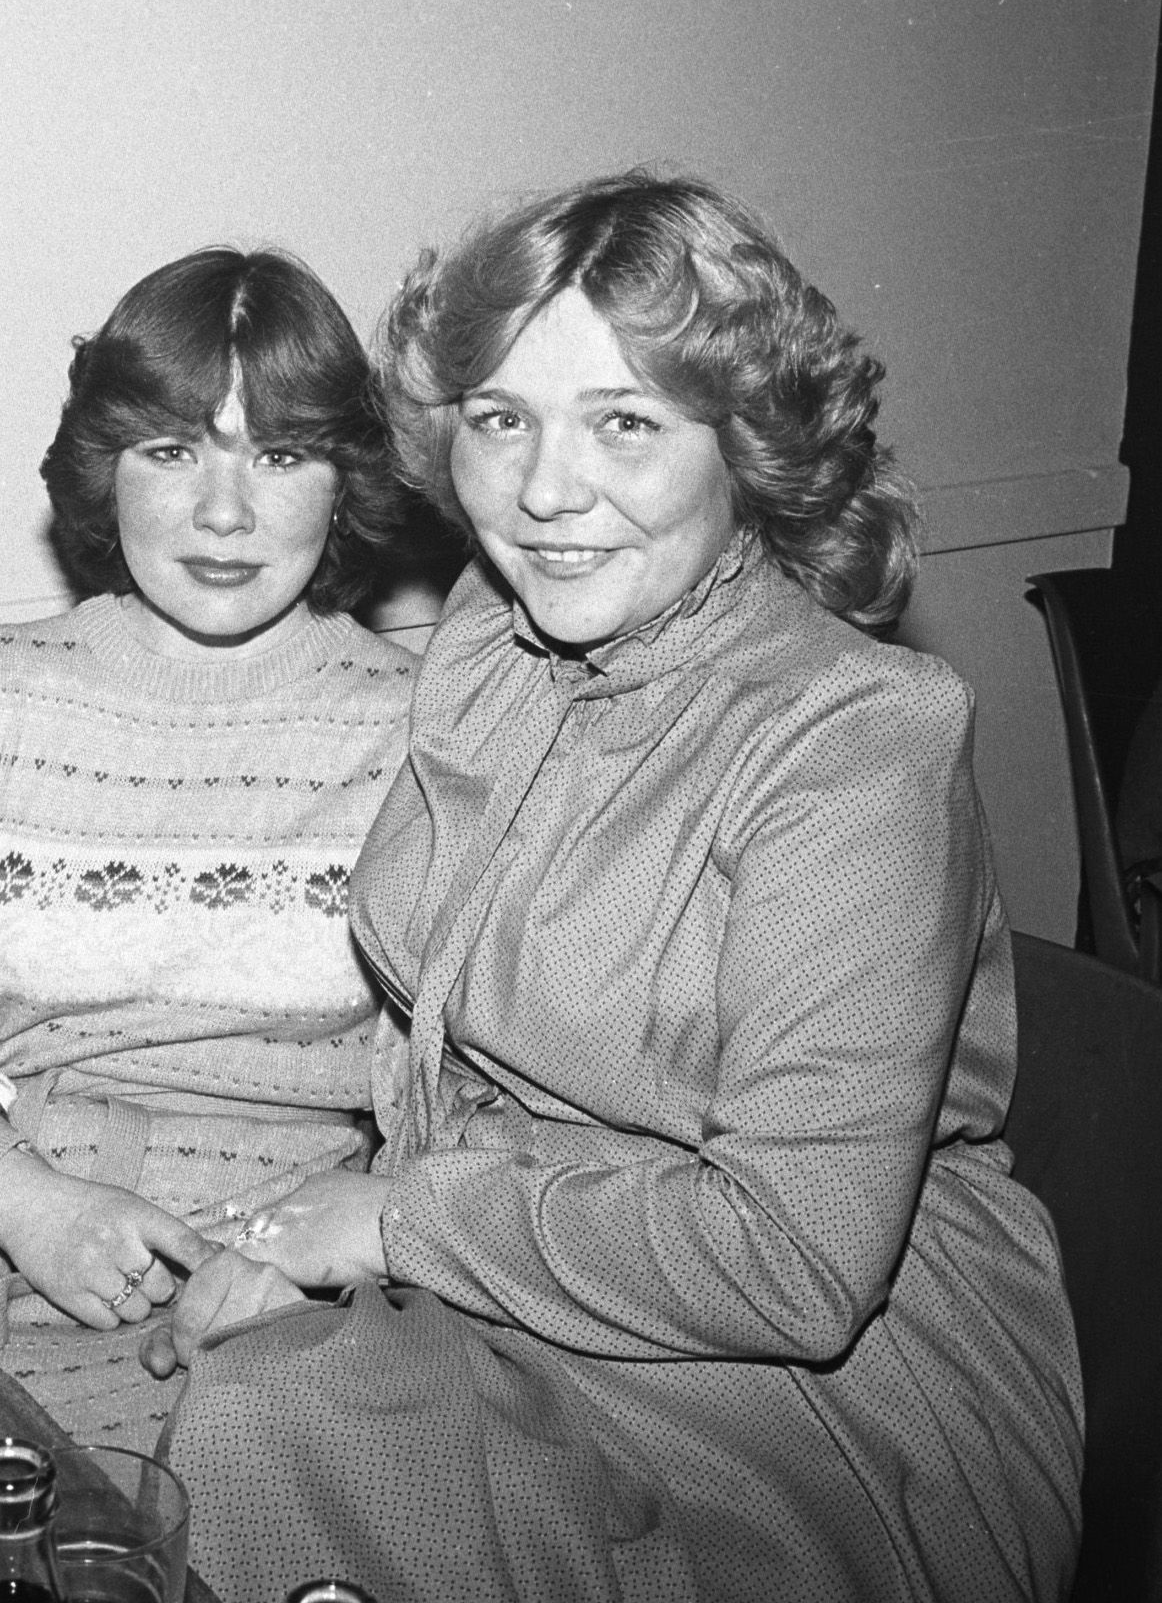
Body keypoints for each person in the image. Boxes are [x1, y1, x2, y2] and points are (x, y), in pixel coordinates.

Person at [148, 172, 1083, 1603]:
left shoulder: (856, 736)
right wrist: (355, 1207)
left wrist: (387, 1226)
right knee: (239, 1428)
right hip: (529, 1253)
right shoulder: (491, 632)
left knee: (288, 1444)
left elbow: (796, 1262)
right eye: (500, 419)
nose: (541, 492)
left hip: (821, 1373)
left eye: (625, 424)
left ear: (743, 444)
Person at [0, 247, 415, 1453]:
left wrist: (313, 1265)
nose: (225, 513)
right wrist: (19, 1203)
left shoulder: (428, 736)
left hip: (288, 1317)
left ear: (345, 480)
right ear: (103, 471)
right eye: (172, 452)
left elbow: (479, 1120)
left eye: (279, 455)